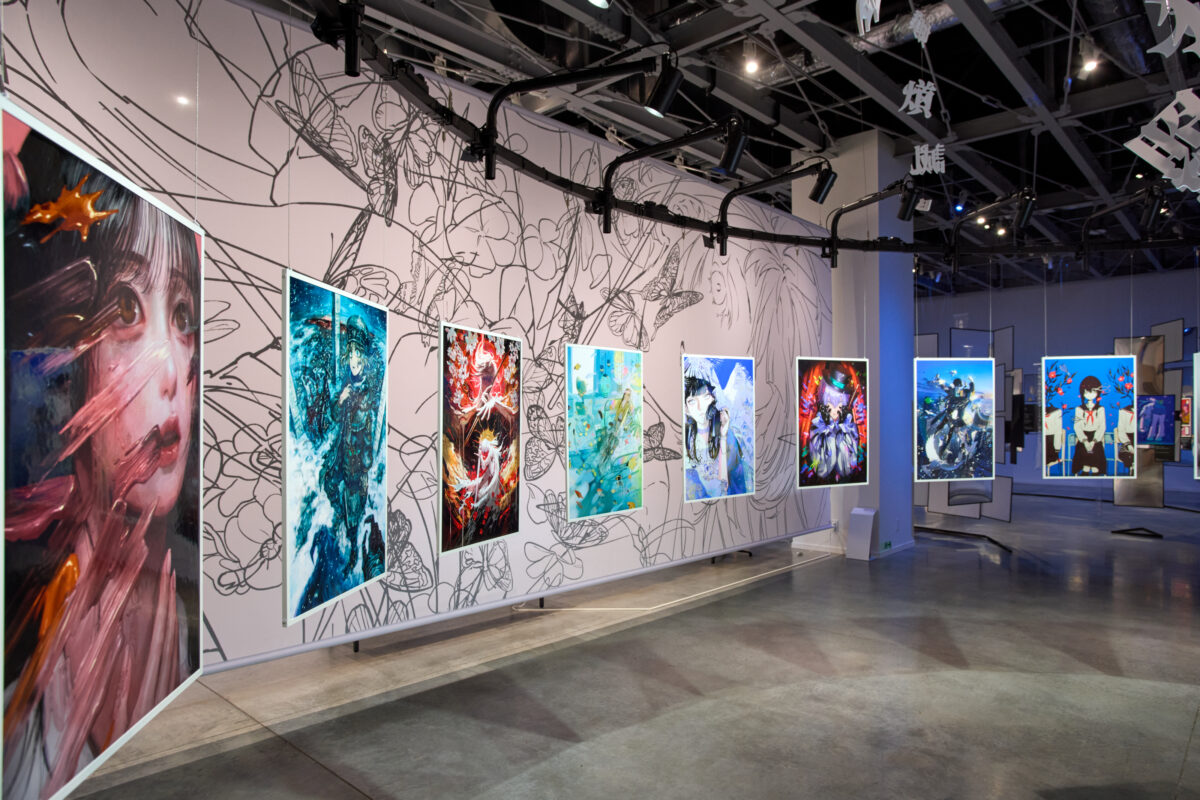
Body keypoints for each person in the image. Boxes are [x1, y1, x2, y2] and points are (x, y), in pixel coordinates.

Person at [3, 125, 200, 800]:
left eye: (183, 316)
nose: (169, 372)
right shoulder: (19, 713)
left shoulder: (180, 628)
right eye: (125, 308)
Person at [683, 367, 750, 500]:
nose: (700, 408)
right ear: (686, 408)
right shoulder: (686, 438)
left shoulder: (727, 434)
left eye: (705, 397)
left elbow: (726, 486)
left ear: (713, 399)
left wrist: (723, 436)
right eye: (692, 401)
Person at [806, 364, 863, 482]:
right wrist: (830, 434)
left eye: (839, 403)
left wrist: (842, 433)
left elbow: (847, 469)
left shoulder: (849, 428)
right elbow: (820, 469)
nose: (834, 409)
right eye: (830, 402)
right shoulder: (817, 426)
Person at [1072, 376, 1107, 475]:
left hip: (1096, 438)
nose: (1090, 394)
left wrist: (1094, 441)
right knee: (1085, 464)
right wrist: (1085, 441)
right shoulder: (1079, 409)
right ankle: (1085, 472)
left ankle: (1095, 473)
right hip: (1083, 438)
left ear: (1097, 393)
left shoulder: (1100, 409)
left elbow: (1102, 426)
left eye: (1093, 391)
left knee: (1096, 465)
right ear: (1083, 393)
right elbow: (1077, 427)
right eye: (1087, 392)